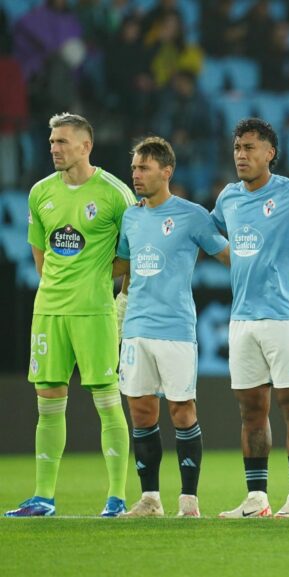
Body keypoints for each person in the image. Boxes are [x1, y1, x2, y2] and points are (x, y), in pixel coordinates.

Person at [6, 113, 134, 518]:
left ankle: (116, 496)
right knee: (47, 399)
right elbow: (42, 260)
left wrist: (97, 281)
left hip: (94, 311)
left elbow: (128, 259)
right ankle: (43, 496)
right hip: (49, 312)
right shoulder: (39, 193)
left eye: (62, 141)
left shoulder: (115, 195)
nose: (54, 148)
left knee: (105, 398)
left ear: (85, 146)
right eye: (51, 142)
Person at [112, 136, 230, 518]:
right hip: (136, 329)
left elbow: (227, 255)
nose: (136, 175)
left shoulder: (192, 215)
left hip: (176, 328)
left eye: (144, 168)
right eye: (134, 168)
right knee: (142, 412)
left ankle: (189, 501)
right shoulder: (131, 216)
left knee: (182, 411)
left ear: (167, 171)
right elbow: (124, 269)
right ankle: (150, 499)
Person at [213, 118, 289, 519]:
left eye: (250, 148)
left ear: (270, 153)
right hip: (242, 318)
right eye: (238, 147)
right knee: (251, 410)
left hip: (285, 316)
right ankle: (256, 499)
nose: (241, 154)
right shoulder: (228, 198)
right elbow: (207, 230)